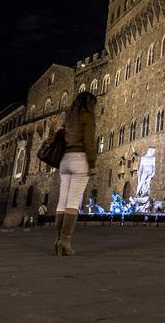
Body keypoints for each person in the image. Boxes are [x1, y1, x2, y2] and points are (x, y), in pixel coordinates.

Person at [54, 92, 98, 256]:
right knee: (72, 203)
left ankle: (58, 239)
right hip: (80, 160)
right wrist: (92, 164)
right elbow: (89, 142)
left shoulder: (68, 118)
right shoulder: (87, 117)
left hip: (65, 160)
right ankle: (65, 241)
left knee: (61, 202)